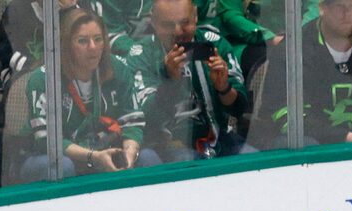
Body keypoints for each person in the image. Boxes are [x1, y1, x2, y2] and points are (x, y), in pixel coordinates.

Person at [17, 9, 155, 180]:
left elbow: (132, 122)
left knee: (148, 158)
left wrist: (129, 154)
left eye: (98, 39)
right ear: (66, 45)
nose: (93, 47)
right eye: (83, 41)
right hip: (45, 157)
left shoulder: (117, 68)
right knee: (63, 167)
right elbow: (47, 141)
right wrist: (93, 157)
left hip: (102, 150)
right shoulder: (44, 79)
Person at [118, 0, 252, 156]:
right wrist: (170, 81)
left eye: (184, 23)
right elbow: (148, 121)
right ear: (152, 21)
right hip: (166, 143)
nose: (178, 32)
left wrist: (224, 88)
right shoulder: (140, 56)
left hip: (217, 138)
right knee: (187, 161)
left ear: (195, 16)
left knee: (254, 160)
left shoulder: (214, 44)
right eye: (168, 25)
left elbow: (239, 109)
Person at [257, 0, 352, 143]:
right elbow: (282, 113)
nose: (346, 13)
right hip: (310, 144)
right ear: (322, 8)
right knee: (306, 143)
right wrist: (342, 137)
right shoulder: (292, 49)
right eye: (339, 6)